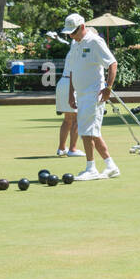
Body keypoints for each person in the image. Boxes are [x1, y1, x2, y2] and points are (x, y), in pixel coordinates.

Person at [61, 13, 121, 178]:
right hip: (81, 94)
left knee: (87, 132)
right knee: (92, 132)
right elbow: (73, 69)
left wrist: (108, 87)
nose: (71, 35)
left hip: (94, 93)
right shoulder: (74, 43)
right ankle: (110, 166)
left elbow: (112, 63)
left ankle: (91, 169)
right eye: (69, 33)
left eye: (73, 32)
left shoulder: (95, 41)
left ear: (82, 27)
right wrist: (71, 94)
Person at [54, 74, 84, 158]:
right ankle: (72, 149)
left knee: (67, 119)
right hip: (72, 85)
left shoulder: (70, 59)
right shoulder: (80, 60)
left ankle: (61, 148)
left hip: (62, 84)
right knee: (76, 119)